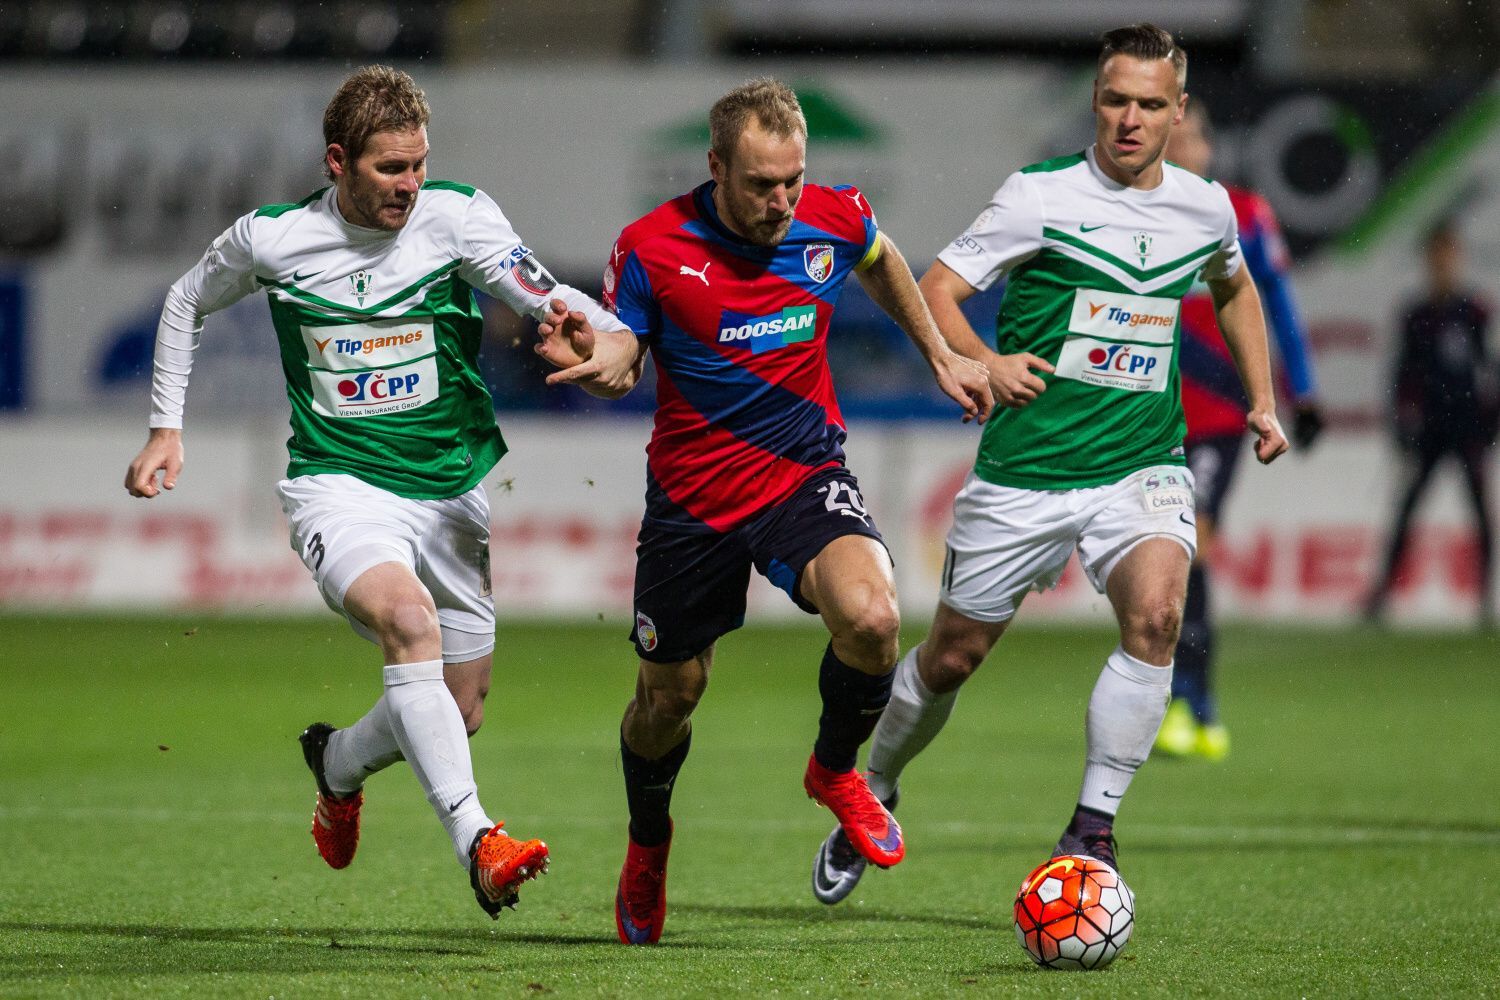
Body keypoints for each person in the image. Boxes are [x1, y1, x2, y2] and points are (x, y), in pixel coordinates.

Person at [123, 65, 636, 919]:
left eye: (419, 165)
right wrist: (164, 427)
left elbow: (548, 297)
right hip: (340, 487)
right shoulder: (273, 239)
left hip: (450, 496)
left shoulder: (458, 218)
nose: (410, 185)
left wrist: (606, 333)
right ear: (338, 162)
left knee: (457, 710)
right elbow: (185, 301)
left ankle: (336, 766)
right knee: (408, 622)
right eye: (391, 169)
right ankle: (481, 842)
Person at [809, 23, 1290, 905]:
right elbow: (941, 287)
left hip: (1143, 464)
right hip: (1026, 472)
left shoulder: (1206, 206)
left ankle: (1092, 830)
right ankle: (871, 789)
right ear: (1095, 103)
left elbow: (1236, 285)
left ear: (1176, 111)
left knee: (1158, 616)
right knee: (953, 656)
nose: (1131, 119)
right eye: (1115, 100)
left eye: (1151, 104)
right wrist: (981, 363)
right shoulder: (1039, 197)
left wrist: (1261, 398)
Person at [537, 77, 993, 944]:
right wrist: (600, 362)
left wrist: (937, 352)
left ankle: (833, 772)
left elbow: (883, 257)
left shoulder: (832, 215)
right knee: (669, 700)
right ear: (715, 166)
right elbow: (627, 351)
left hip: (800, 475)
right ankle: (647, 845)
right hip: (692, 502)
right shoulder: (651, 245)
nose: (781, 201)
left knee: (874, 617)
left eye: (792, 179)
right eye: (759, 184)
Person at [1153, 100, 1325, 761]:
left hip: (1222, 416)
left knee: (1189, 542)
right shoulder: (1142, 217)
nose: (1183, 147)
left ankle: (1188, 699)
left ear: (1209, 146)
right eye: (1175, 139)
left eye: (1191, 135)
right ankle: (1191, 702)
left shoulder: (1245, 215)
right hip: (1153, 413)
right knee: (1166, 554)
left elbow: (1277, 302)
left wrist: (1300, 393)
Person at [1364, 221, 1496, 624]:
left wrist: (1490, 426)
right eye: (1436, 255)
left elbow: (1489, 369)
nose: (1442, 263)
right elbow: (1402, 376)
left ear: (1457, 258)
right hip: (1431, 429)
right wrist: (1402, 427)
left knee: (1480, 513)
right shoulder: (1416, 314)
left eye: (1448, 254)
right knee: (1407, 509)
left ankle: (1486, 601)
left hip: (1468, 427)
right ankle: (1381, 597)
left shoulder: (1475, 311)